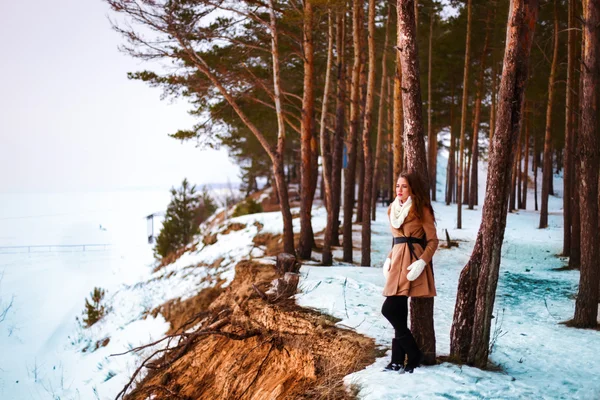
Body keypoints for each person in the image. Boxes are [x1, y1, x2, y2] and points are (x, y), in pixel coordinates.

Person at [381, 171, 439, 373]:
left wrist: (422, 262)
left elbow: (433, 241)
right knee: (398, 311)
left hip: (411, 262)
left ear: (412, 189)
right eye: (397, 186)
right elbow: (396, 239)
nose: (399, 190)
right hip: (396, 260)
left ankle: (412, 353)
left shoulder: (421, 209)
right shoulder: (392, 209)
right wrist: (388, 258)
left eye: (404, 186)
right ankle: (399, 359)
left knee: (388, 310)